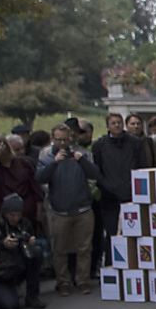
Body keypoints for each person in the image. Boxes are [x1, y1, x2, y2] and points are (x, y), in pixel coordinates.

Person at [37, 124, 101, 296]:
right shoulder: (46, 155)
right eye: (59, 139)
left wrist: (81, 160)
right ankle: (63, 282)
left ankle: (82, 280)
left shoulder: (82, 154)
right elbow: (40, 178)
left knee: (84, 248)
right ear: (53, 139)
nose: (63, 143)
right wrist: (55, 162)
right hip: (59, 210)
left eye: (66, 139)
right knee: (60, 250)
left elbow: (95, 174)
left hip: (83, 208)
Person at [0, 193, 45, 309]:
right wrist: (2, 244)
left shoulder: (24, 224)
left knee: (36, 251)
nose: (16, 218)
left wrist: (30, 242)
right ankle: (1, 294)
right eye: (12, 215)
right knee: (11, 306)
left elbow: (29, 247)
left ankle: (32, 296)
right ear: (4, 213)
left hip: (17, 267)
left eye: (18, 215)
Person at [92, 112, 145, 262]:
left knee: (133, 232)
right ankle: (111, 264)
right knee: (111, 234)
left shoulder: (135, 143)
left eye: (119, 122)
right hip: (109, 196)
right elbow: (97, 170)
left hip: (131, 195)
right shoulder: (99, 145)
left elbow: (142, 166)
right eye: (113, 123)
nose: (117, 125)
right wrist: (106, 185)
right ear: (108, 126)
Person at [0, 133, 44, 228]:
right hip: (2, 212)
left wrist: (38, 212)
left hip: (26, 211)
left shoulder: (24, 163)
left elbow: (36, 189)